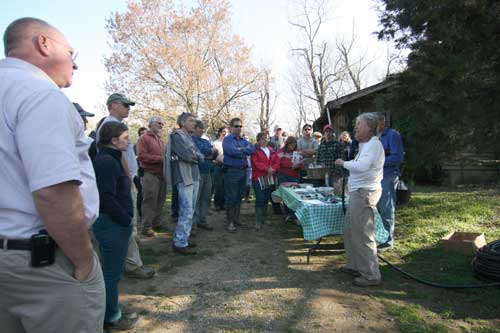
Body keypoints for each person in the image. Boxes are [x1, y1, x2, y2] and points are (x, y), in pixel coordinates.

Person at [0, 17, 105, 332]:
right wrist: (84, 259)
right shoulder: (39, 93)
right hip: (42, 263)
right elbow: (54, 192)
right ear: (44, 44)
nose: (75, 65)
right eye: (71, 53)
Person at [97, 93, 155, 279]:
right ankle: (132, 264)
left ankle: (123, 261)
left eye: (129, 105)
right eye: (124, 104)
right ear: (112, 105)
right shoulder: (109, 125)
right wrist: (128, 177)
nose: (128, 108)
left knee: (126, 223)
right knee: (126, 221)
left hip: (125, 178)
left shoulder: (116, 124)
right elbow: (117, 155)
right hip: (122, 180)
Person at [93, 122, 141, 331]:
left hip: (115, 223)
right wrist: (125, 219)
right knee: (111, 275)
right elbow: (106, 198)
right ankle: (111, 317)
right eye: (125, 137)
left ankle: (110, 312)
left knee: (112, 273)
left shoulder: (109, 159)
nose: (128, 140)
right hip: (112, 224)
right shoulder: (105, 162)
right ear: (113, 140)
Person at [335, 112, 385, 287]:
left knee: (363, 234)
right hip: (358, 192)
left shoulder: (373, 145)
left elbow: (362, 167)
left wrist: (343, 163)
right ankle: (355, 266)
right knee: (350, 230)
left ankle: (371, 274)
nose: (355, 127)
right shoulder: (365, 145)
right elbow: (363, 168)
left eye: (359, 124)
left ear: (369, 127)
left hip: (364, 194)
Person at [164, 112, 204, 254]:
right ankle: (180, 243)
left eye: (194, 120)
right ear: (182, 122)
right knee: (186, 210)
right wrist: (197, 156)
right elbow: (188, 155)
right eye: (191, 121)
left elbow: (199, 155)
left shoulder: (189, 137)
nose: (194, 123)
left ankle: (183, 239)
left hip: (194, 176)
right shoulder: (177, 136)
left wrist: (197, 156)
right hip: (184, 177)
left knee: (191, 210)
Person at [376, 112, 404, 250]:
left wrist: (378, 161)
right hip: (374, 176)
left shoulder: (392, 135)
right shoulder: (374, 137)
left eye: (375, 122)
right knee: (376, 208)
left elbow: (398, 157)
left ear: (383, 122)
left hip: (388, 176)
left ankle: (387, 240)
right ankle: (378, 236)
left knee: (386, 207)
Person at [222, 118, 255, 233]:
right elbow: (231, 151)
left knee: (239, 196)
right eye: (236, 126)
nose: (239, 128)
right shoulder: (227, 139)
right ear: (231, 127)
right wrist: (243, 150)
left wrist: (240, 149)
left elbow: (252, 149)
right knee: (231, 197)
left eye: (240, 126)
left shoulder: (243, 140)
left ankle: (236, 219)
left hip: (243, 171)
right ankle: (229, 222)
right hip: (232, 171)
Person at [136, 117, 167, 237]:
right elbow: (141, 156)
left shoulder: (160, 140)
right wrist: (160, 159)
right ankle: (146, 226)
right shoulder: (144, 138)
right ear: (150, 125)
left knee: (160, 199)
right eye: (159, 123)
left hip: (161, 174)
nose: (161, 125)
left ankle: (156, 222)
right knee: (150, 200)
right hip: (150, 174)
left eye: (162, 124)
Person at [251, 132, 280, 230]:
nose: (265, 140)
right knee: (260, 198)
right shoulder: (255, 151)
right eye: (263, 138)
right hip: (258, 178)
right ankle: (257, 221)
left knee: (266, 198)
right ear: (258, 140)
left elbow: (277, 161)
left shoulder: (271, 150)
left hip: (269, 177)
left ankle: (264, 217)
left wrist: (273, 169)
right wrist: (267, 169)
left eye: (267, 138)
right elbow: (256, 163)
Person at [192, 120, 217, 232]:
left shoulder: (205, 141)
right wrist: (208, 153)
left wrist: (208, 154)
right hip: (197, 173)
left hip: (208, 172)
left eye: (203, 128)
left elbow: (215, 153)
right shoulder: (191, 140)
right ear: (194, 128)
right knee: (195, 199)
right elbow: (199, 151)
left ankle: (202, 220)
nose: (202, 130)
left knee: (206, 197)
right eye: (200, 128)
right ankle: (193, 223)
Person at [277, 136, 303, 222]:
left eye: (294, 145)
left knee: (294, 195)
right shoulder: (280, 152)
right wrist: (291, 165)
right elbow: (278, 163)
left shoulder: (297, 152)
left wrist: (299, 165)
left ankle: (295, 215)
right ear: (287, 144)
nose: (293, 146)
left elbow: (301, 164)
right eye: (291, 144)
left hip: (294, 176)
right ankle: (287, 214)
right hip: (283, 175)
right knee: (285, 195)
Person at [133, 127, 147, 225]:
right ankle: (141, 214)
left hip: (148, 172)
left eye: (145, 133)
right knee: (141, 193)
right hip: (138, 173)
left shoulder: (149, 144)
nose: (143, 135)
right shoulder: (135, 146)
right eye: (141, 133)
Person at [212, 127, 228, 211]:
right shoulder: (215, 143)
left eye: (227, 132)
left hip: (227, 167)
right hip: (217, 166)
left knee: (225, 186)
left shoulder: (229, 143)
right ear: (220, 132)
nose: (225, 133)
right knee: (218, 186)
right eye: (223, 131)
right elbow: (214, 155)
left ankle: (224, 204)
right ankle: (217, 204)